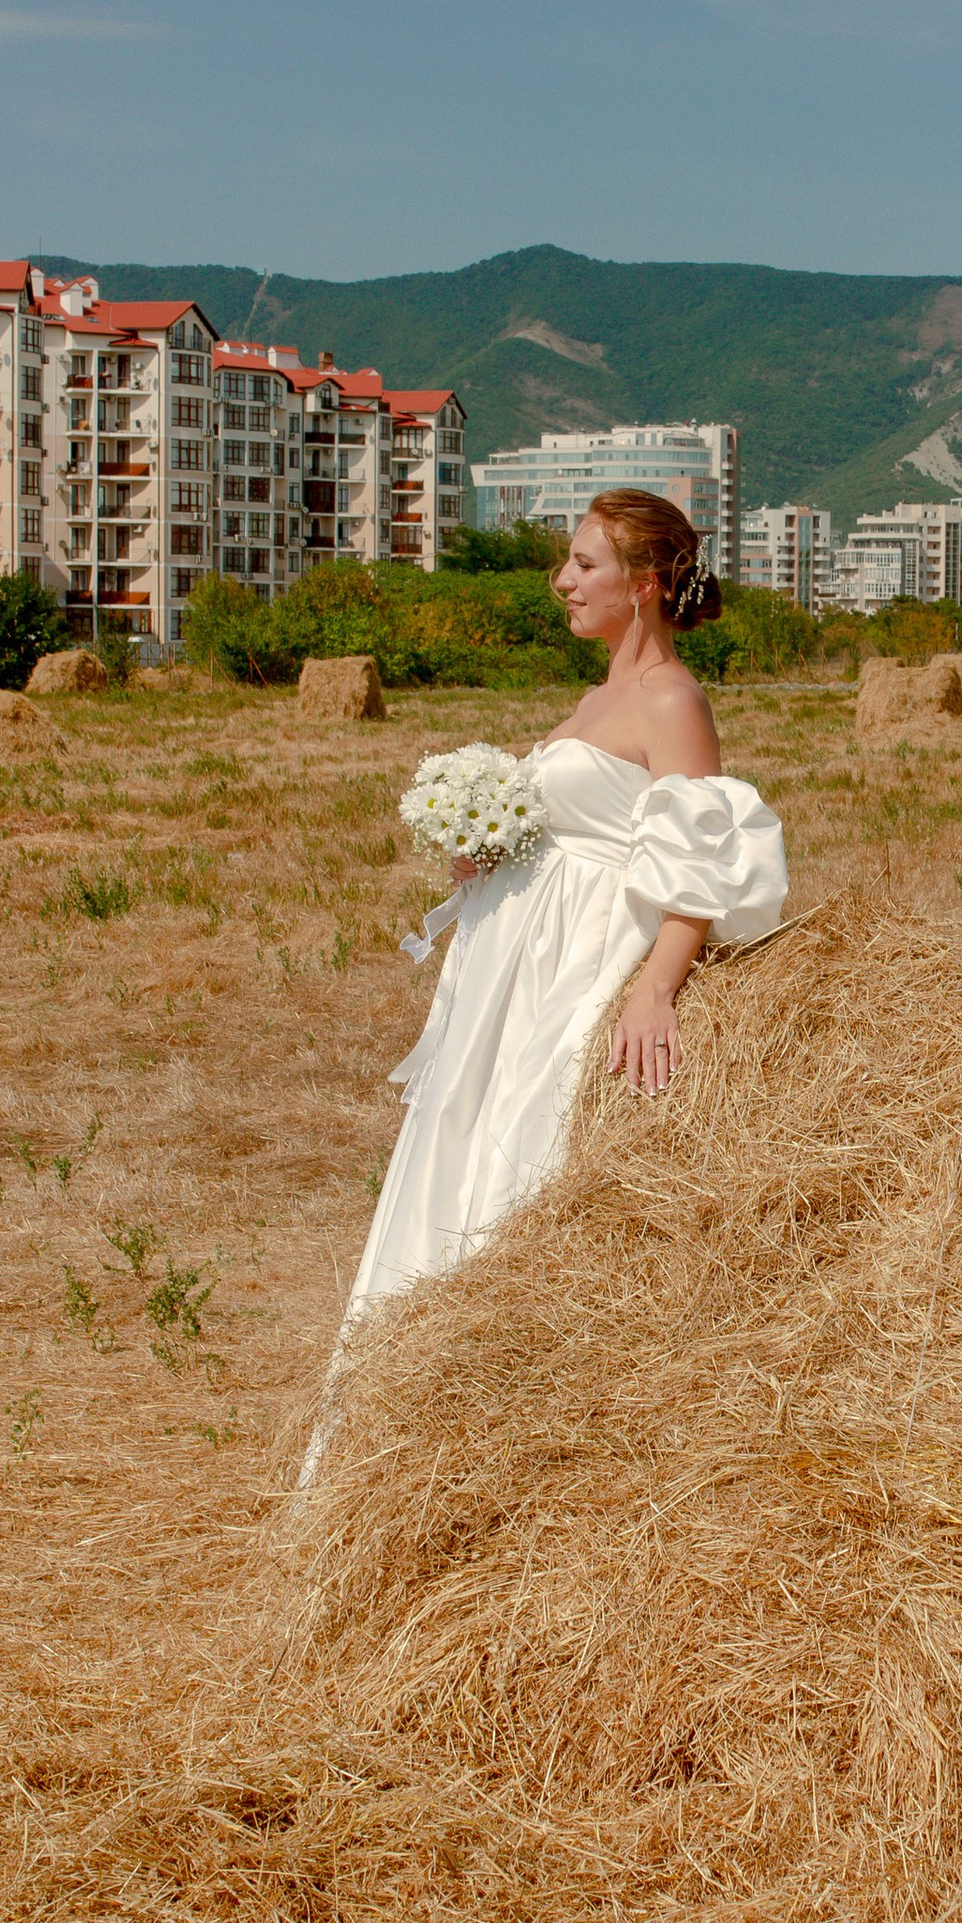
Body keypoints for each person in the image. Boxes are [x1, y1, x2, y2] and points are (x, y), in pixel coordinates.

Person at [337, 487, 788, 1331]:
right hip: (510, 965)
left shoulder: (672, 701)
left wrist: (655, 991)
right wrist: (488, 850)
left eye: (584, 565)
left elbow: (696, 855)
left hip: (578, 960)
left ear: (647, 581)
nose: (562, 582)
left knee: (521, 1150)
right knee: (461, 1137)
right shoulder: (593, 700)